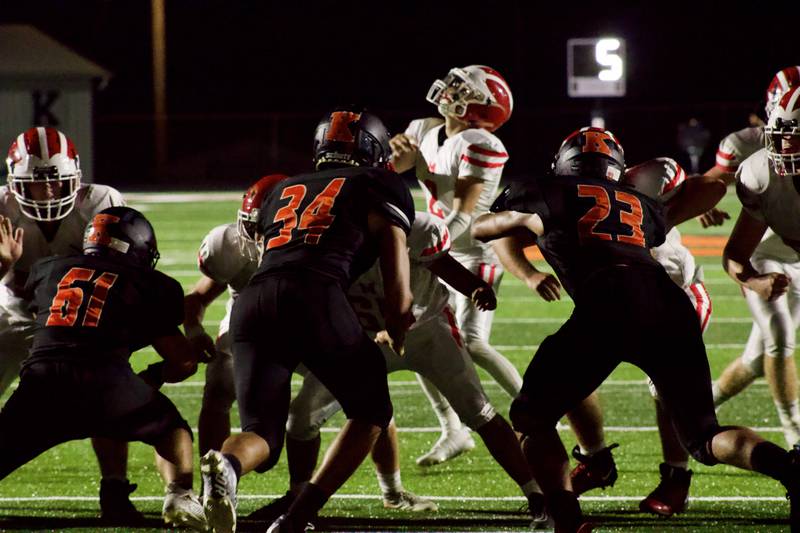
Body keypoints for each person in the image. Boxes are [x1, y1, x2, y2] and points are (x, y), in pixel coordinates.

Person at [473, 126, 800, 533]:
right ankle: (790, 467)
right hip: (668, 304)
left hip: (607, 304)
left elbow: (481, 228)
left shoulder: (546, 190)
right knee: (704, 436)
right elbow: (696, 196)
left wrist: (521, 218)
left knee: (532, 418)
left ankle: (568, 520)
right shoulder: (638, 200)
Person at [200, 106, 417, 533]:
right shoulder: (379, 183)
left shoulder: (285, 187)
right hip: (315, 292)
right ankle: (298, 515)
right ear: (372, 149)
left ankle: (226, 465)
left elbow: (272, 252)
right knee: (372, 409)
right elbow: (395, 262)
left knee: (261, 430)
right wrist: (397, 317)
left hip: (254, 299)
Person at [273, 211, 549, 527]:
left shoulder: (417, 227)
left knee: (478, 411)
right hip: (364, 338)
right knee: (301, 417)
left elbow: (442, 264)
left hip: (428, 331)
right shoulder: (325, 233)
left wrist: (474, 286)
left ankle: (536, 493)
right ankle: (298, 501)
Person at [390, 65, 559, 466]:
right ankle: (453, 430)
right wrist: (397, 156)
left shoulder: (479, 142)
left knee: (473, 342)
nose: (450, 91)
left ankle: (537, 413)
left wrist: (423, 248)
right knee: (420, 340)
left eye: (462, 89)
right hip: (437, 248)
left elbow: (465, 214)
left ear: (480, 109)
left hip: (472, 250)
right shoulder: (422, 129)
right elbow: (392, 171)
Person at [0, 207, 206, 530]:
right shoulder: (147, 283)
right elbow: (183, 361)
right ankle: (179, 496)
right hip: (105, 382)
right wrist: (152, 377)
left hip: (42, 380)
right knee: (172, 429)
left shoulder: (48, 269)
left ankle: (115, 495)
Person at [0, 127, 141, 523]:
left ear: (76, 178)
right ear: (13, 184)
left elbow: (126, 271)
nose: (46, 194)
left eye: (55, 183)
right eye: (35, 185)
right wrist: (4, 266)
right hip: (15, 309)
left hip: (77, 318)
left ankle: (115, 487)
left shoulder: (102, 202)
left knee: (107, 389)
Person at [559, 158, 713, 518]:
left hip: (674, 296)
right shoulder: (561, 197)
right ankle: (596, 459)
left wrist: (664, 218)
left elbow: (712, 187)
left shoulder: (643, 180)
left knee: (665, 389)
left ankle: (677, 476)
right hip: (615, 303)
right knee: (565, 376)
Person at [701, 68, 800, 452]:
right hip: (769, 258)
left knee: (759, 360)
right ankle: (796, 438)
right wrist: (756, 281)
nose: (784, 148)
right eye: (782, 136)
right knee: (780, 339)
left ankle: (697, 408)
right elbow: (736, 254)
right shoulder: (761, 170)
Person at [184, 174, 288, 456]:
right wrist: (194, 330)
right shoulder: (228, 246)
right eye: (251, 225)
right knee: (218, 386)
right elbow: (197, 297)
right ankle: (214, 482)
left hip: (308, 319)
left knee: (354, 391)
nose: (255, 237)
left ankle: (299, 488)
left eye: (263, 227)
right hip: (248, 318)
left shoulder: (322, 245)